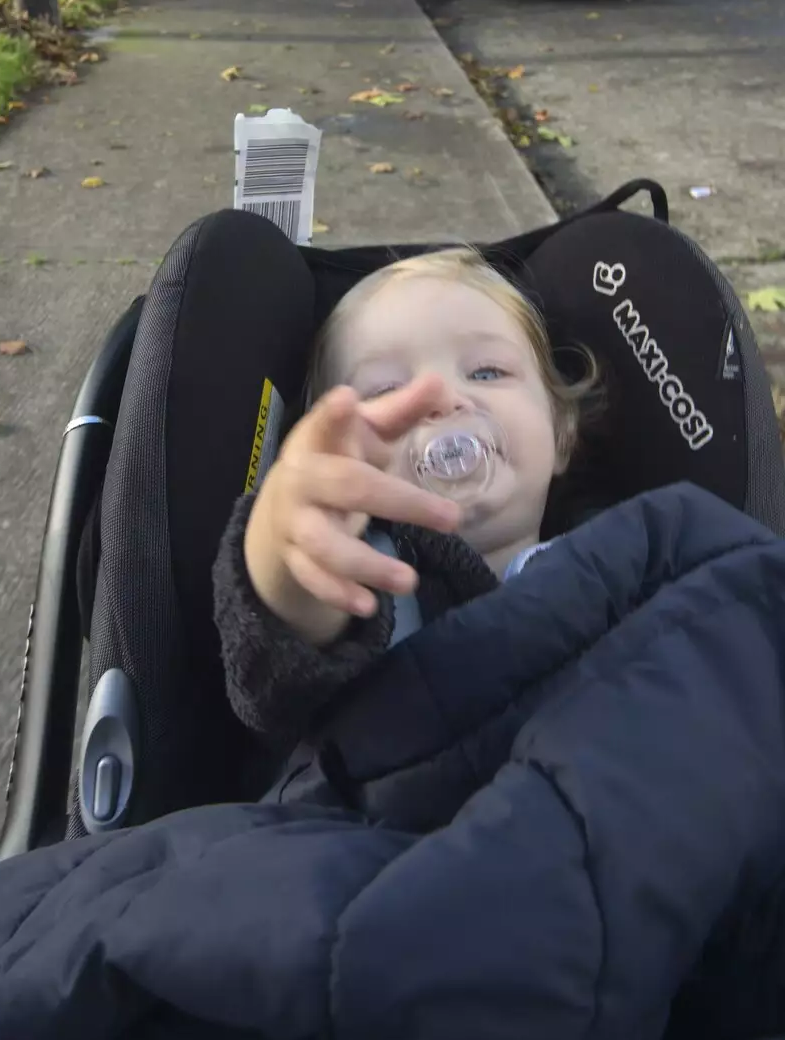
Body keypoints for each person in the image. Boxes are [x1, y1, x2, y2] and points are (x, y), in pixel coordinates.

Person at [213, 248, 598, 742]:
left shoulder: (623, 550)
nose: (441, 401)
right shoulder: (368, 577)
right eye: (385, 391)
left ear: (562, 430)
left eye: (486, 372)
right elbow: (274, 674)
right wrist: (289, 544)